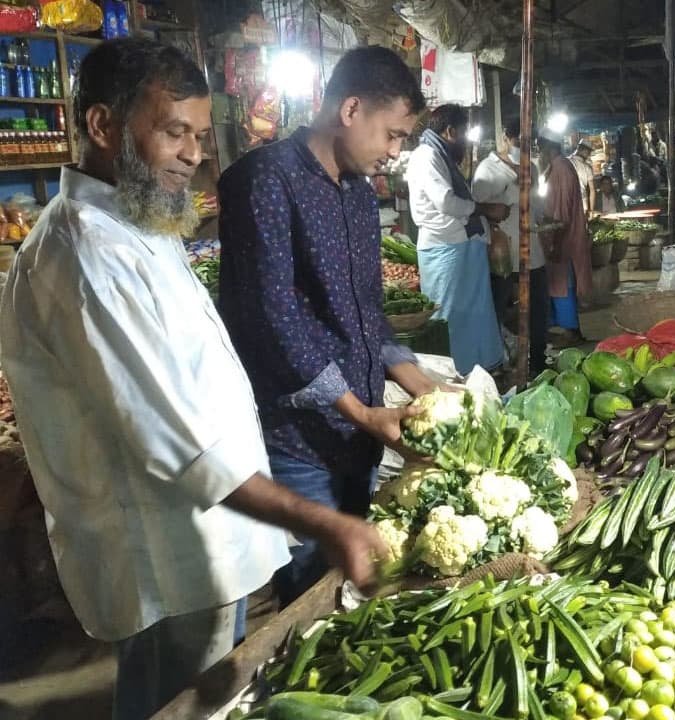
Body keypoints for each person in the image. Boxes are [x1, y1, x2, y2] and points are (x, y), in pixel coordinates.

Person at [0, 38, 387, 720]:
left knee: (201, 695)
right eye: (174, 132)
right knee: (174, 704)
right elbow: (176, 445)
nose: (195, 155)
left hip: (205, 536)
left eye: (201, 137)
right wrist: (327, 523)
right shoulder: (85, 254)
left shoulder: (138, 226)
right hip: (160, 550)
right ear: (102, 126)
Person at [217, 46, 439, 606]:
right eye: (391, 134)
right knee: (310, 604)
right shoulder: (264, 180)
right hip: (299, 444)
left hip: (359, 435)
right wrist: (362, 412)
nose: (394, 152)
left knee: (360, 590)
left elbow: (367, 311)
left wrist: (420, 382)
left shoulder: (361, 199)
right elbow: (272, 320)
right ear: (351, 109)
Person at [407, 103, 508, 374]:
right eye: (463, 133)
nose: (465, 140)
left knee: (474, 313)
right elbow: (446, 202)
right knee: (449, 316)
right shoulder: (426, 156)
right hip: (445, 248)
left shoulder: (439, 156)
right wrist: (484, 209)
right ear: (450, 131)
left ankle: (480, 368)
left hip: (461, 246)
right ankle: (451, 374)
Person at [472, 117, 550, 374]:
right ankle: (497, 363)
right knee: (496, 307)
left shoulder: (534, 167)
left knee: (539, 308)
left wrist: (545, 219)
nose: (523, 145)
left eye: (528, 141)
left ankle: (537, 361)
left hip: (533, 250)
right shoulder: (488, 169)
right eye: (518, 140)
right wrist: (514, 188)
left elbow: (536, 205)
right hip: (502, 253)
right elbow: (480, 210)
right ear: (506, 137)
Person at [537, 130, 594, 348]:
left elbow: (561, 213)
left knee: (563, 285)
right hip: (560, 236)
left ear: (548, 148)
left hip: (563, 238)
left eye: (541, 149)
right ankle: (565, 328)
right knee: (559, 284)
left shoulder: (560, 169)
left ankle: (571, 330)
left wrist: (555, 242)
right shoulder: (559, 167)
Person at [571, 139, 596, 216]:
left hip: (569, 202)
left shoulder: (565, 161)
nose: (588, 154)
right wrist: (591, 210)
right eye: (588, 152)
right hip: (582, 204)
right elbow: (592, 190)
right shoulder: (587, 167)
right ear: (581, 149)